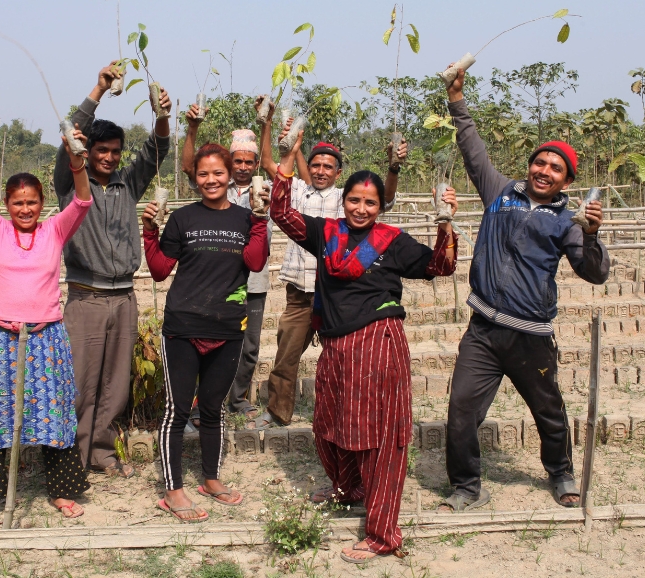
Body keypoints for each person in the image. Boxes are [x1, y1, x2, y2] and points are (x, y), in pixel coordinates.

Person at [269, 129, 458, 564]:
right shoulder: (325, 233)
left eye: (370, 203)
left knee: (377, 434)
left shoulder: (391, 241)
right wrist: (286, 156)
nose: (360, 208)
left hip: (377, 342)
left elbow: (440, 266)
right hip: (335, 345)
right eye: (354, 200)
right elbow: (281, 212)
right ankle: (349, 488)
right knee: (328, 425)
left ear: (379, 207)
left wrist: (444, 220)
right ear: (344, 200)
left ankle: (382, 532)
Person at [439, 64, 608, 512]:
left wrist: (591, 236)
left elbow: (594, 273)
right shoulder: (500, 193)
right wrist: (457, 98)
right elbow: (473, 150)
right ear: (529, 166)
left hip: (530, 336)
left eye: (556, 168)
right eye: (540, 162)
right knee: (460, 413)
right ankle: (466, 487)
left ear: (567, 181)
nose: (544, 170)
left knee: (548, 412)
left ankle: (560, 472)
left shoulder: (567, 221)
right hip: (483, 331)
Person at [0, 122, 93, 528]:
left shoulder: (55, 230)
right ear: (7, 204)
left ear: (42, 202)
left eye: (32, 202)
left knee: (53, 411)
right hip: (0, 338)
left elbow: (83, 202)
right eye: (18, 203)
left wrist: (77, 162)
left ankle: (62, 491)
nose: (26, 210)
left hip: (45, 337)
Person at [53, 63, 171, 478]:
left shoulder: (127, 185)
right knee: (81, 383)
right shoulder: (71, 184)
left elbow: (156, 153)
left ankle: (101, 451)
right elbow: (71, 137)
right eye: (100, 150)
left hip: (123, 298)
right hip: (86, 298)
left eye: (115, 151)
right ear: (87, 151)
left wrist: (162, 117)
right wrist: (98, 91)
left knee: (115, 384)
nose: (108, 157)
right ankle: (72, 455)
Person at [254, 113, 408, 429]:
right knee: (285, 357)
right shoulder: (295, 190)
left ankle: (347, 413)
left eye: (328, 166)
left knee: (345, 358)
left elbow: (387, 198)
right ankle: (277, 412)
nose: (321, 170)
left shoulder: (346, 199)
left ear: (339, 172)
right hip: (299, 293)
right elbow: (268, 162)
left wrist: (393, 168)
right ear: (307, 167)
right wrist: (278, 135)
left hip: (337, 295)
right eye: (316, 165)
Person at [142, 143, 269, 522]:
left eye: (217, 173)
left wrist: (261, 223)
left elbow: (255, 261)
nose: (210, 180)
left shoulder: (248, 218)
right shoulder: (183, 219)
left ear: (230, 175)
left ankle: (210, 479)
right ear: (194, 179)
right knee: (177, 411)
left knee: (213, 408)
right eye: (202, 174)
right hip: (183, 327)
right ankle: (173, 490)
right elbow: (161, 269)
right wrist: (150, 232)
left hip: (229, 327)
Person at [179, 99, 273, 423]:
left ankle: (239, 399)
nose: (244, 166)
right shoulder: (217, 185)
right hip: (216, 281)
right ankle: (199, 402)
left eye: (250, 161)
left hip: (254, 282)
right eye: (238, 161)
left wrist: (266, 125)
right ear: (230, 162)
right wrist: (192, 128)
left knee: (248, 344)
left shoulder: (267, 191)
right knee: (207, 339)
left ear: (256, 162)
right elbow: (189, 167)